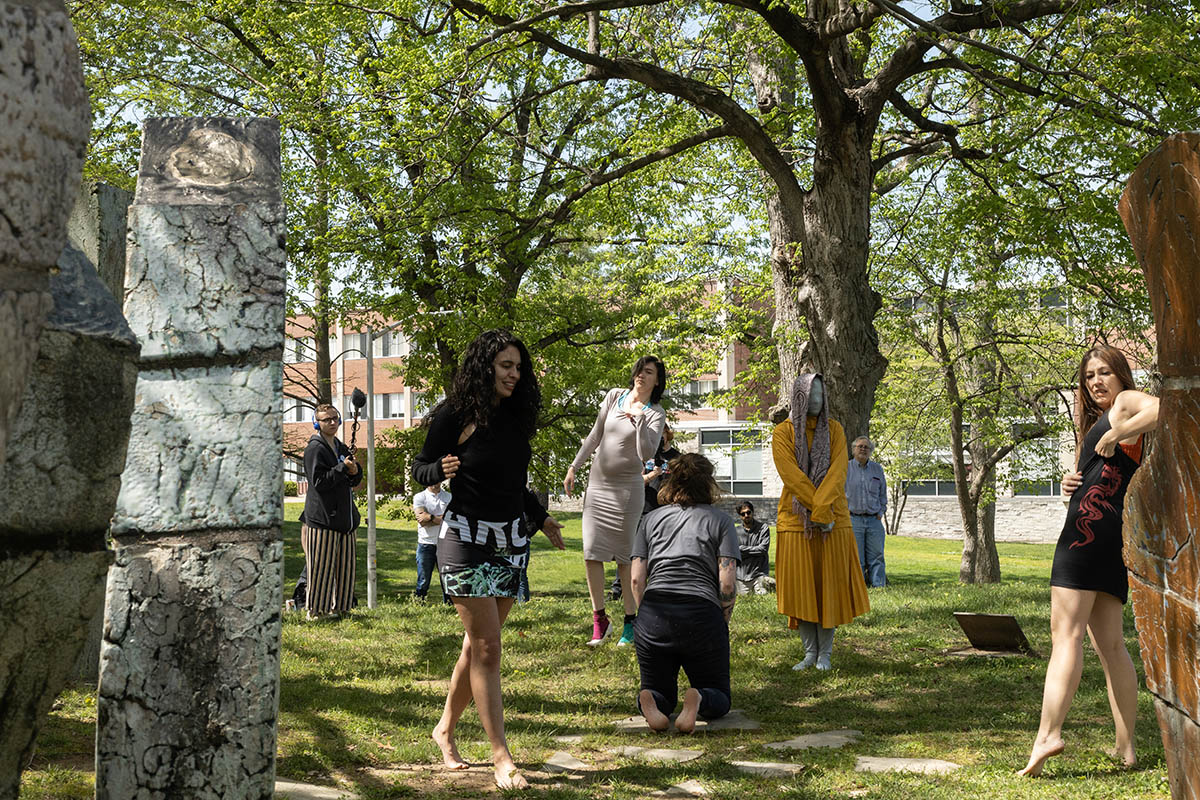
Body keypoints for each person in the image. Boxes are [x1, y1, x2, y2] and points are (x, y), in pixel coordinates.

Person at [411, 329, 566, 790]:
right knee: (488, 647)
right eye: (505, 366)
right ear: (485, 367)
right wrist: (439, 470)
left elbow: (514, 485)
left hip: (511, 541)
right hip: (463, 539)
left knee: (476, 645)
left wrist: (541, 519)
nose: (514, 375)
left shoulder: (517, 418)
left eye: (518, 367)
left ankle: (444, 729)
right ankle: (502, 757)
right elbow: (419, 466)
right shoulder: (454, 414)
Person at [1020, 345, 1159, 777]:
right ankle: (1127, 748)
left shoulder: (1123, 405)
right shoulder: (1102, 420)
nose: (1096, 381)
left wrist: (1117, 433)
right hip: (1110, 536)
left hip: (1084, 538)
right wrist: (1073, 481)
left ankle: (1048, 735)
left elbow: (1165, 407)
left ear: (1121, 375)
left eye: (1104, 373)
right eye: (1089, 376)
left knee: (1066, 636)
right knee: (1111, 645)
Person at [630, 453, 740, 733]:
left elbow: (635, 579)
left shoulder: (650, 520)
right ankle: (699, 698)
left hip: (654, 612)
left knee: (659, 690)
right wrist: (722, 617)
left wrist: (644, 616)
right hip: (701, 614)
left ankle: (651, 701)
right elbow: (727, 583)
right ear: (709, 483)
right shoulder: (721, 521)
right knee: (719, 695)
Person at [564, 356, 667, 646]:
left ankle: (631, 623)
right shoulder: (614, 397)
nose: (641, 376)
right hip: (598, 486)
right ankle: (600, 620)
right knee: (591, 553)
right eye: (639, 371)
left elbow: (645, 453)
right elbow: (594, 436)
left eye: (648, 373)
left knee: (624, 558)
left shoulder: (656, 413)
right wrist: (574, 466)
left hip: (626, 490)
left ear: (657, 380)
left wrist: (639, 424)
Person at [772, 374, 869, 671]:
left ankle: (825, 654)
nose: (818, 400)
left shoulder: (836, 430)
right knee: (803, 590)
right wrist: (818, 511)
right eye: (811, 395)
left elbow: (838, 472)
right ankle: (810, 653)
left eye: (821, 394)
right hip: (795, 520)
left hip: (833, 521)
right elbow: (792, 476)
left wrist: (825, 511)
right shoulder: (782, 433)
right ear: (799, 397)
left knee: (829, 589)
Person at [299, 403, 363, 619]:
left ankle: (342, 608)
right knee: (321, 568)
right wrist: (342, 468)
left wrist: (354, 470)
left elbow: (354, 478)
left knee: (346, 568)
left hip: (346, 519)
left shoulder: (340, 446)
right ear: (317, 423)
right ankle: (316, 611)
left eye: (335, 418)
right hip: (323, 519)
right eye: (327, 420)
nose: (333, 422)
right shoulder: (314, 449)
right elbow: (318, 482)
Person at [613, 423, 681, 601]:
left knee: (662, 551)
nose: (658, 438)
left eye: (661, 433)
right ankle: (618, 589)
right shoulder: (644, 456)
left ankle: (657, 586)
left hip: (667, 512)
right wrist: (652, 476)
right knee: (632, 549)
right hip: (642, 509)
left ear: (667, 433)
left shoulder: (677, 458)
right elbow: (633, 481)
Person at [845, 436, 888, 587]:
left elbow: (883, 493)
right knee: (857, 558)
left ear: (870, 451)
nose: (863, 449)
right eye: (860, 446)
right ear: (853, 450)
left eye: (866, 447)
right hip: (853, 519)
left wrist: (881, 511)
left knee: (877, 556)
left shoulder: (877, 469)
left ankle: (878, 586)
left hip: (874, 520)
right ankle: (859, 587)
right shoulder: (845, 468)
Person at [412, 482, 451, 603]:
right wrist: (441, 518)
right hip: (425, 544)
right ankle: (418, 604)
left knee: (447, 579)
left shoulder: (449, 497)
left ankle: (449, 605)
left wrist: (431, 517)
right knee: (423, 580)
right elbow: (422, 521)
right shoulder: (420, 497)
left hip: (445, 543)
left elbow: (451, 519)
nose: (436, 482)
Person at [734, 501, 774, 595]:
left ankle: (770, 584)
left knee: (763, 593)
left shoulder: (763, 528)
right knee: (743, 595)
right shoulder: (736, 531)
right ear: (740, 516)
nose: (746, 515)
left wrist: (742, 549)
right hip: (741, 575)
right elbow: (735, 553)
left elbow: (763, 549)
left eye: (748, 512)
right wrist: (755, 551)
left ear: (753, 512)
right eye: (743, 514)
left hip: (759, 573)